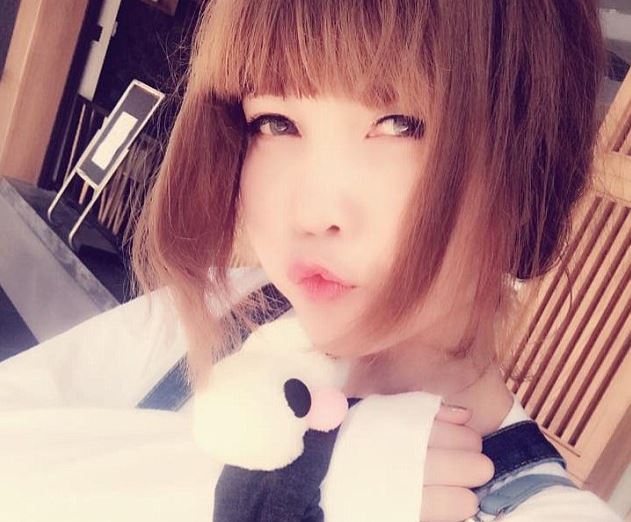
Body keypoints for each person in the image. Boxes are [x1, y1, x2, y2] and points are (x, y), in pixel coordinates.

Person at [0, 1, 623, 521]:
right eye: (275, 122)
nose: (310, 213)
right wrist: (269, 490)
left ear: (530, 170)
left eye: (400, 124)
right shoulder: (222, 310)